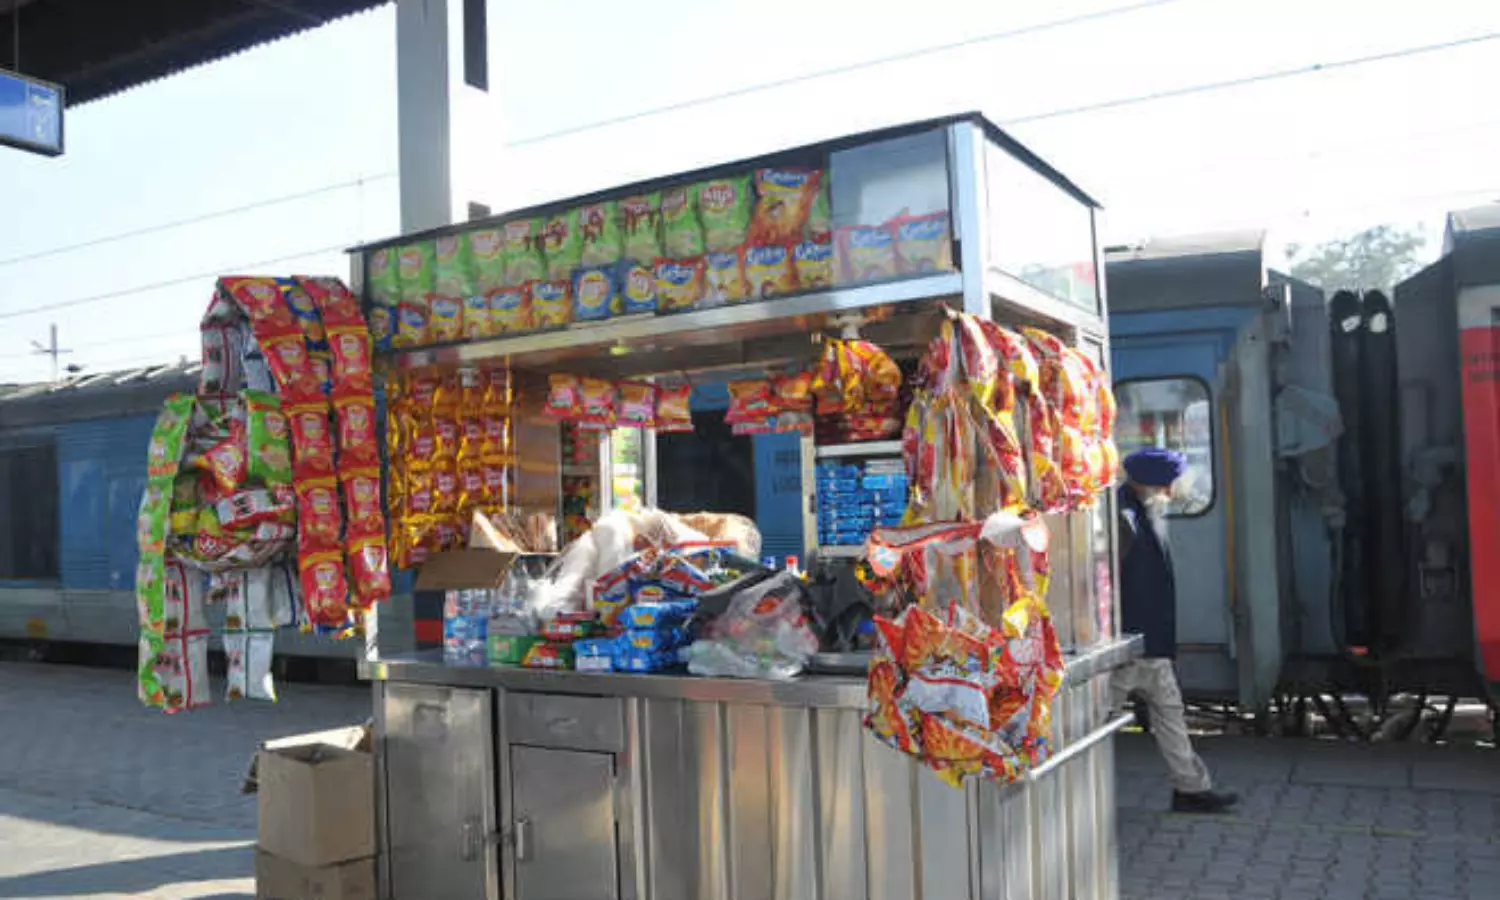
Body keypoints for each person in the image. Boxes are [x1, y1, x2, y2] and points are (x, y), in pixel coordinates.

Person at [1115, 447, 1239, 814]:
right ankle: (1190, 788)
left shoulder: (1141, 511)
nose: (1172, 492)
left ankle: (1191, 787)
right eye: (1168, 484)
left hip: (1149, 639)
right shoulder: (1126, 517)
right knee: (1095, 720)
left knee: (1169, 712)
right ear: (1150, 483)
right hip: (1131, 642)